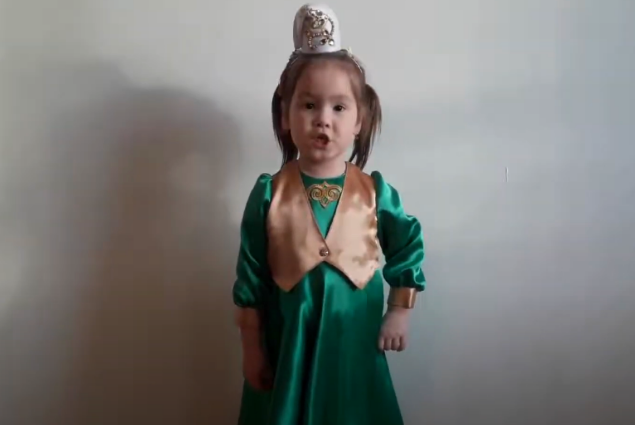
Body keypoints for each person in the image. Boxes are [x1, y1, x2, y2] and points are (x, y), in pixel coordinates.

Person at [232, 4, 427, 425]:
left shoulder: (375, 193)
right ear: (285, 115)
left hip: (354, 345)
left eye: (339, 108)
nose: (323, 120)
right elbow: (250, 278)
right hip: (289, 346)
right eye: (309, 105)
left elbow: (407, 244)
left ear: (360, 119)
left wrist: (400, 309)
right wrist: (251, 348)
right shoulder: (269, 194)